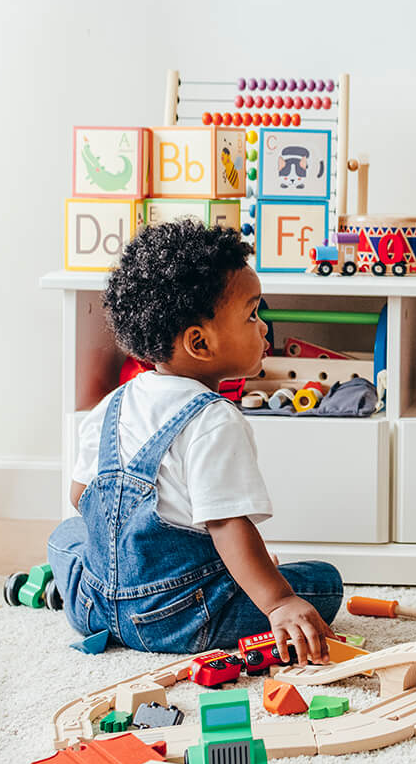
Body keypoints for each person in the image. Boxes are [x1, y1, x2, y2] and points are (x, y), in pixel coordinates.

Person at [47, 220, 342, 659]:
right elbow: (227, 525)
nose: (264, 328)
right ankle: (259, 593)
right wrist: (278, 601)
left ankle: (70, 592)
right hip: (180, 618)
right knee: (323, 582)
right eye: (252, 314)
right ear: (199, 343)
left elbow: (79, 497)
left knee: (66, 535)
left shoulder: (113, 403)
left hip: (95, 605)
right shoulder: (214, 420)